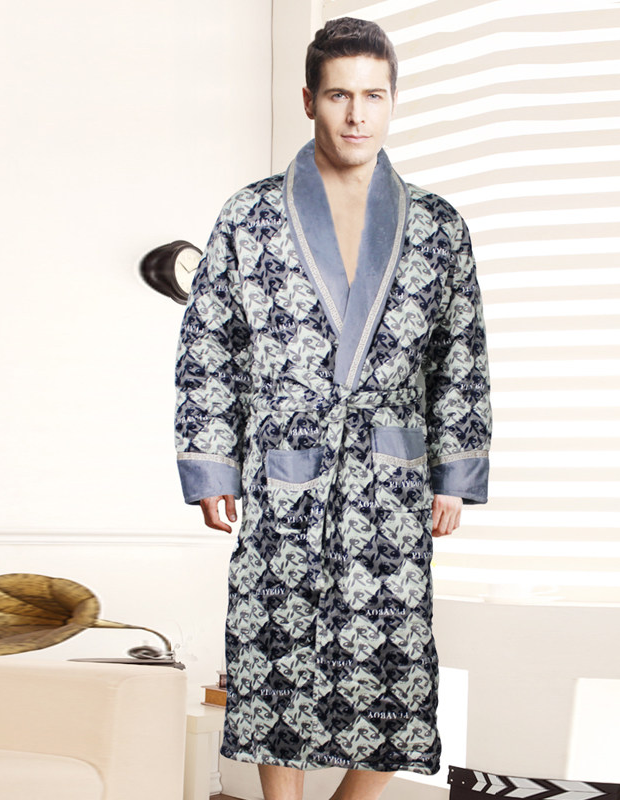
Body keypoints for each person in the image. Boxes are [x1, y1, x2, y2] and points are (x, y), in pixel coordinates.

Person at [174, 17, 491, 800]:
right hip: (287, 462)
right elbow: (211, 344)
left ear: (393, 101)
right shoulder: (250, 215)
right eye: (340, 95)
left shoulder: (437, 225)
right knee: (275, 647)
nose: (357, 114)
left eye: (373, 96)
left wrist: (453, 474)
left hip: (391, 470)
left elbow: (460, 355)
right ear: (309, 99)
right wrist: (212, 464)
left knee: (393, 666)